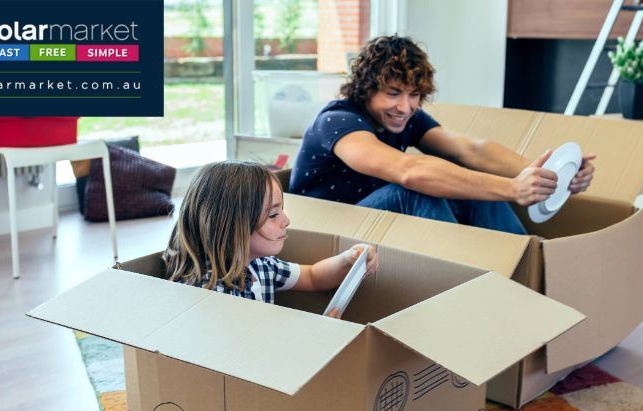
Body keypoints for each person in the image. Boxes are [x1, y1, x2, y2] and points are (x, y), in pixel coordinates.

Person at [289, 35, 596, 235]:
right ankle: (467, 284)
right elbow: (408, 171)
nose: (405, 107)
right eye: (393, 93)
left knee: (475, 183)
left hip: (371, 225)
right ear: (366, 89)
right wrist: (512, 189)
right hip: (325, 231)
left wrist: (545, 175)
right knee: (416, 189)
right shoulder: (338, 122)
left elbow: (471, 151)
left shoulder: (405, 118)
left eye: (414, 95)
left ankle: (526, 274)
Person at [162, 161, 378, 314]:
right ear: (232, 226)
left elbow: (312, 277)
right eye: (273, 214)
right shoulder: (211, 291)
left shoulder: (260, 265)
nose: (286, 220)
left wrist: (348, 259)